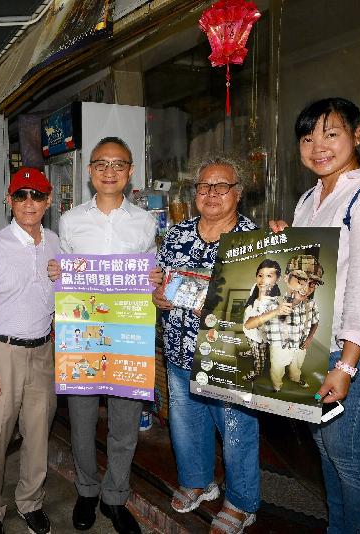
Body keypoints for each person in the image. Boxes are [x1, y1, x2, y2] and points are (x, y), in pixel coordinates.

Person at [270, 97, 360, 533]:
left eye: (331, 134)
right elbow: (314, 276)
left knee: (349, 455)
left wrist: (347, 364)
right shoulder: (311, 199)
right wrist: (285, 244)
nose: (318, 147)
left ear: (357, 135)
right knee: (327, 450)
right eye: (308, 137)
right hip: (318, 343)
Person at [48, 136, 155, 534]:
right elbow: (64, 275)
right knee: (81, 421)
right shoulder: (70, 221)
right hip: (83, 337)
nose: (110, 172)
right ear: (90, 171)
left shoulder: (145, 223)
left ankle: (115, 497)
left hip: (128, 335)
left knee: (125, 425)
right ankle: (87, 491)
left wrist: (154, 278)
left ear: (130, 172)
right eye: (101, 164)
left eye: (119, 164)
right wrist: (60, 274)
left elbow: (149, 275)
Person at [151, 156, 259, 534]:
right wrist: (160, 296)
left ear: (238, 193)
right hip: (179, 347)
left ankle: (242, 502)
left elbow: (264, 302)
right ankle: (198, 480)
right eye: (203, 186)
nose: (211, 193)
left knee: (235, 429)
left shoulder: (254, 240)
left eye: (221, 186)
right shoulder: (178, 233)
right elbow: (161, 285)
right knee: (186, 422)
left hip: (228, 355)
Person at [0, 167, 60, 534]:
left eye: (36, 195)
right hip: (0, 352)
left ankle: (30, 502)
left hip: (43, 351)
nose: (28, 203)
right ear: (9, 200)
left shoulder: (57, 244)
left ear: (48, 201)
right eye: (21, 195)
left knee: (38, 435)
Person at [244, 255, 322, 392]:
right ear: (287, 278)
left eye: (312, 283)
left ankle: (295, 378)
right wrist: (276, 311)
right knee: (277, 369)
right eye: (301, 280)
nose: (306, 287)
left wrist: (309, 339)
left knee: (296, 367)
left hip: (300, 346)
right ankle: (277, 386)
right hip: (279, 347)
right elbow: (249, 325)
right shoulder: (272, 301)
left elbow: (315, 322)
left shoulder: (311, 304)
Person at [240, 259, 281, 382]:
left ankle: (256, 372)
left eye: (269, 276)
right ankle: (252, 351)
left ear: (277, 279)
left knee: (260, 358)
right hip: (250, 334)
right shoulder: (255, 287)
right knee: (251, 344)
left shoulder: (273, 303)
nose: (263, 280)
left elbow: (251, 325)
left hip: (260, 338)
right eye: (260, 275)